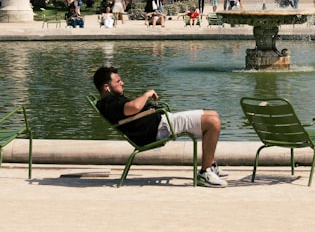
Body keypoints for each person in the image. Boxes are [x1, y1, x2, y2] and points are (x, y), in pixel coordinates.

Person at [92, 65, 227, 187]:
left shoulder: (112, 101)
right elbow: (134, 107)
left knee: (213, 115)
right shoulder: (109, 103)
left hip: (161, 123)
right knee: (212, 122)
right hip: (160, 128)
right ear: (106, 87)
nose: (122, 83)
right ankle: (205, 172)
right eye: (118, 81)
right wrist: (147, 94)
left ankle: (210, 164)